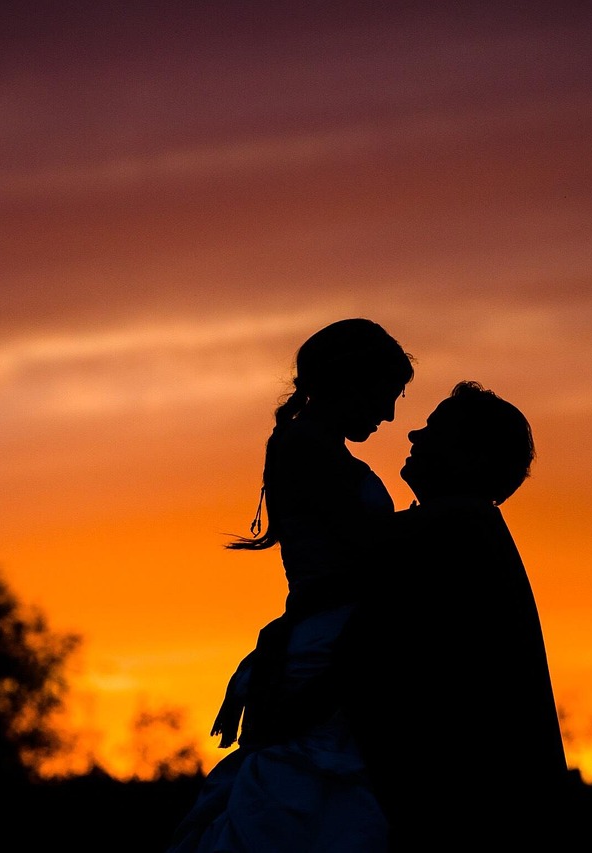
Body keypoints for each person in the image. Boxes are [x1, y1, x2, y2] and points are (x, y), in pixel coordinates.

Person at [166, 318, 415, 853]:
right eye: (385, 395)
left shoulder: (317, 448)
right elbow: (364, 548)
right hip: (329, 639)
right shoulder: (302, 446)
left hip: (343, 630)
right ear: (351, 380)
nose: (390, 414)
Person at [336, 381, 571, 848]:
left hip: (466, 813)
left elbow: (346, 558)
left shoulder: (457, 526)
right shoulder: (465, 526)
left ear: (472, 457)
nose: (413, 436)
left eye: (434, 430)